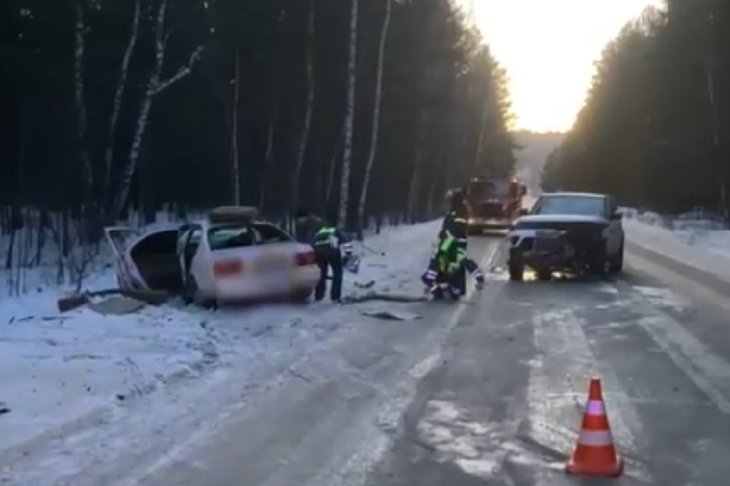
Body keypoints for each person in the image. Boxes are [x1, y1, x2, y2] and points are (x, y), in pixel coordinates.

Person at [421, 230, 484, 300]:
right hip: (443, 276)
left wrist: (480, 279)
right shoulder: (440, 252)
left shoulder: (457, 252)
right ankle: (439, 290)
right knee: (427, 277)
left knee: (454, 286)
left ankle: (449, 290)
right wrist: (429, 283)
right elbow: (432, 267)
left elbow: (471, 266)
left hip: (454, 279)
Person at [311, 211, 353, 303]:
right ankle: (335, 296)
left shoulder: (320, 232)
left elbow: (312, 243)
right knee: (337, 273)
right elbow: (346, 242)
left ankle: (319, 295)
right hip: (332, 253)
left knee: (321, 275)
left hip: (319, 254)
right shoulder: (336, 231)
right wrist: (348, 255)